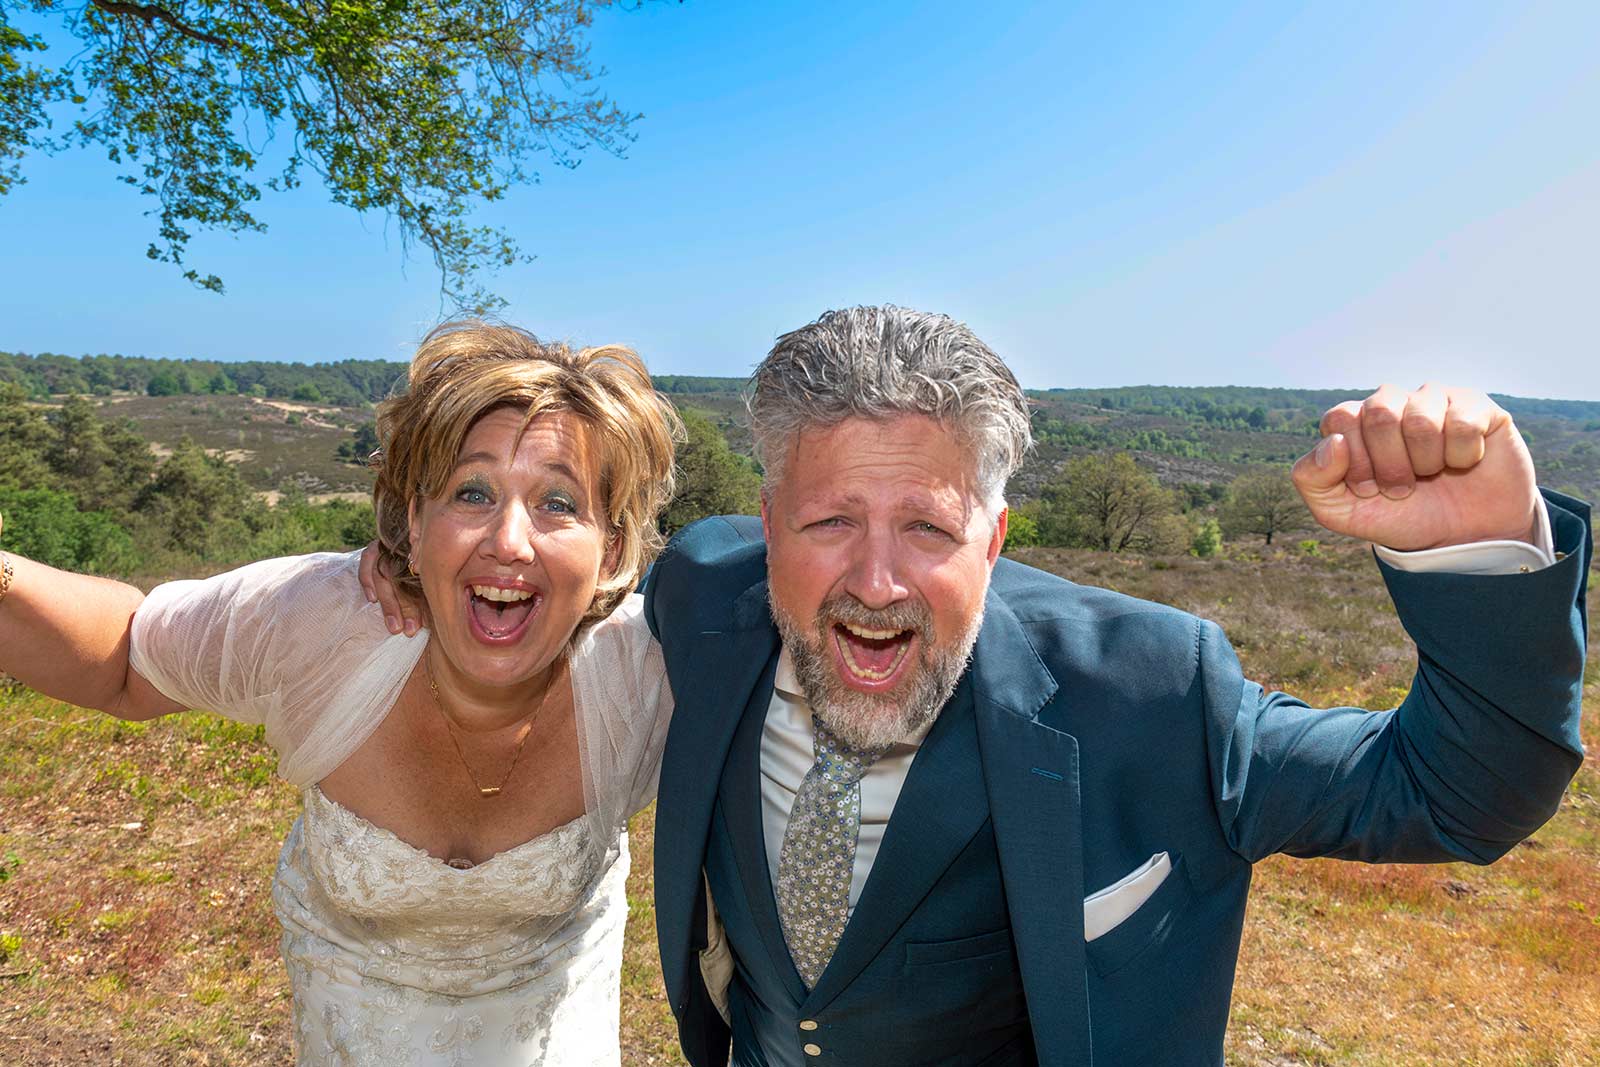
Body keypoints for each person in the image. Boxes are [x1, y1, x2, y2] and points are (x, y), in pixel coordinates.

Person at [634, 307, 1589, 1066]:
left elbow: (1459, 791)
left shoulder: (1152, 695)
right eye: (831, 521)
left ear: (994, 542)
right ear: (769, 525)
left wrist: (1477, 555)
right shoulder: (699, 592)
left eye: (928, 528)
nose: (877, 584)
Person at [0, 322, 682, 1065]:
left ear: (613, 550)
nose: (508, 540)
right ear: (414, 522)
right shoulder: (321, 620)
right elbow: (125, 655)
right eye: (472, 492)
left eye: (558, 502)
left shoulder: (650, 673)